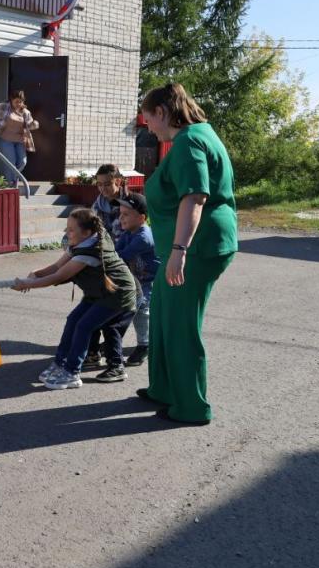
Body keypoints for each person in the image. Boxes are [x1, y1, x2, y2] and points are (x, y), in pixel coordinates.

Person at [138, 82, 238, 425]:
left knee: (181, 326)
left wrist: (180, 250)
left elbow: (194, 197)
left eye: (148, 118)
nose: (147, 126)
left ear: (163, 113)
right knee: (164, 316)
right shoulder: (198, 134)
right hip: (183, 248)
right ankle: (164, 389)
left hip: (195, 248)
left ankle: (192, 407)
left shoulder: (189, 142)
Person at [13, 208, 138, 389]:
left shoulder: (89, 253)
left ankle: (72, 372)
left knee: (84, 325)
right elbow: (56, 266)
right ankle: (60, 363)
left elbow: (58, 276)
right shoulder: (82, 242)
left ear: (87, 232)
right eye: (66, 228)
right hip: (97, 293)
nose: (66, 232)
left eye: (71, 229)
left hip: (118, 294)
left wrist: (28, 284)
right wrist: (35, 274)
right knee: (73, 320)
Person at [84, 163, 128, 367]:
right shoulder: (98, 203)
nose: (102, 189)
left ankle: (122, 355)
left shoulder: (129, 203)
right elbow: (93, 228)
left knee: (117, 316)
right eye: (99, 184)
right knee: (93, 306)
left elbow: (125, 233)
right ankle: (92, 351)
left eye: (107, 184)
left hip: (125, 261)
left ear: (118, 181)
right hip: (104, 261)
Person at [114, 192, 160, 367]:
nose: (121, 218)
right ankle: (115, 340)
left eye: (126, 214)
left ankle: (144, 345)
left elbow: (121, 257)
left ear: (141, 218)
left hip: (149, 281)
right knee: (128, 310)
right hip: (136, 280)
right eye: (120, 213)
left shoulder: (143, 237)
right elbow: (115, 253)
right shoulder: (128, 233)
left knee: (141, 311)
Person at [0, 89, 40, 183]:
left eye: (20, 102)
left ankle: (13, 180)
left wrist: (34, 124)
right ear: (11, 100)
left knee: (23, 162)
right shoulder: (3, 107)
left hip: (20, 140)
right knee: (10, 163)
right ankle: (11, 184)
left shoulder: (25, 112)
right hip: (6, 139)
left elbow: (29, 125)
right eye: (16, 101)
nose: (18, 104)